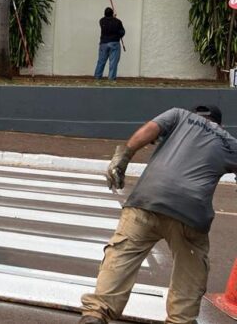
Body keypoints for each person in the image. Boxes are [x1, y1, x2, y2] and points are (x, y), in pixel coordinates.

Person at [78, 105, 236, 324]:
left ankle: (96, 313)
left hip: (146, 200)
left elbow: (150, 129)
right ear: (219, 124)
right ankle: (181, 320)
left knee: (122, 254)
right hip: (190, 214)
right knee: (190, 270)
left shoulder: (179, 115)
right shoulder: (229, 142)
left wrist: (123, 157)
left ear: (196, 114)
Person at [94, 7, 125, 80]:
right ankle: (111, 78)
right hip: (114, 43)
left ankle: (97, 77)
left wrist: (113, 18)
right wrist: (114, 18)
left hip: (103, 43)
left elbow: (108, 21)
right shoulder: (117, 21)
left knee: (101, 61)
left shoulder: (101, 21)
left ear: (104, 14)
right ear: (112, 13)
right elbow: (122, 32)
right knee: (113, 63)